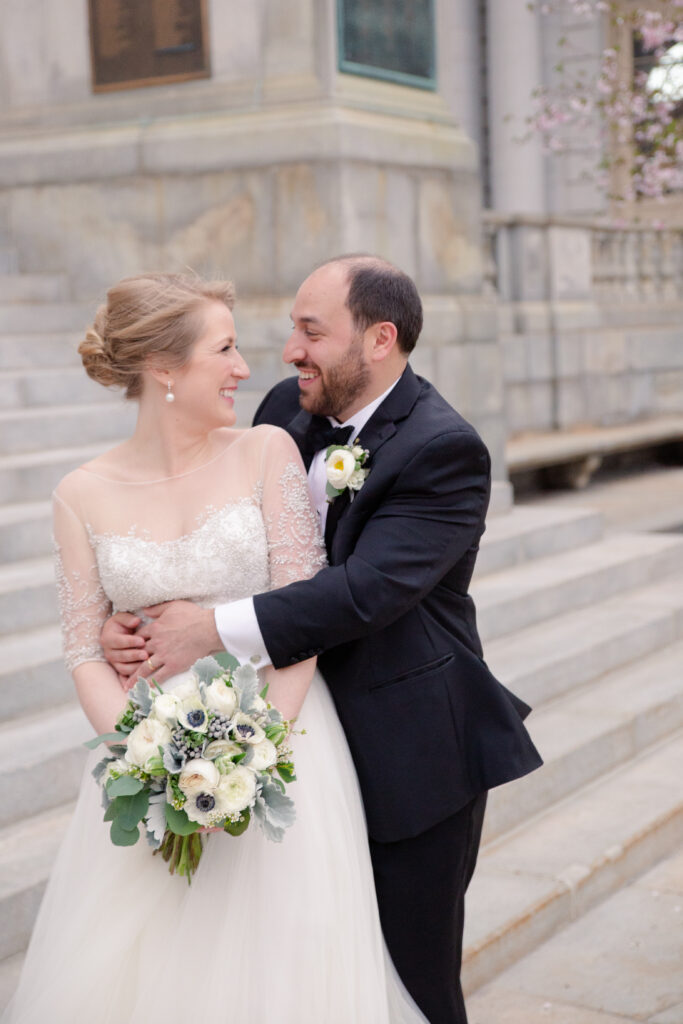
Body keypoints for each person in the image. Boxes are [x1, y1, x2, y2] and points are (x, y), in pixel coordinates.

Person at [101, 256, 543, 1024]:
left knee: (411, 982)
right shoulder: (283, 408)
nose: (288, 352)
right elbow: (210, 526)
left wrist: (205, 627)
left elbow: (363, 591)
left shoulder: (445, 448)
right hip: (278, 737)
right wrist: (131, 612)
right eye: (291, 330)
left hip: (410, 752)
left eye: (311, 332)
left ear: (378, 339)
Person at [3, 272, 427, 1024]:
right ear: (164, 368)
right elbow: (82, 650)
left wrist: (254, 752)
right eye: (225, 349)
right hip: (150, 759)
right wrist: (146, 761)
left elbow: (305, 619)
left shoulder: (265, 450)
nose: (243, 368)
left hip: (284, 741)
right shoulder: (80, 492)